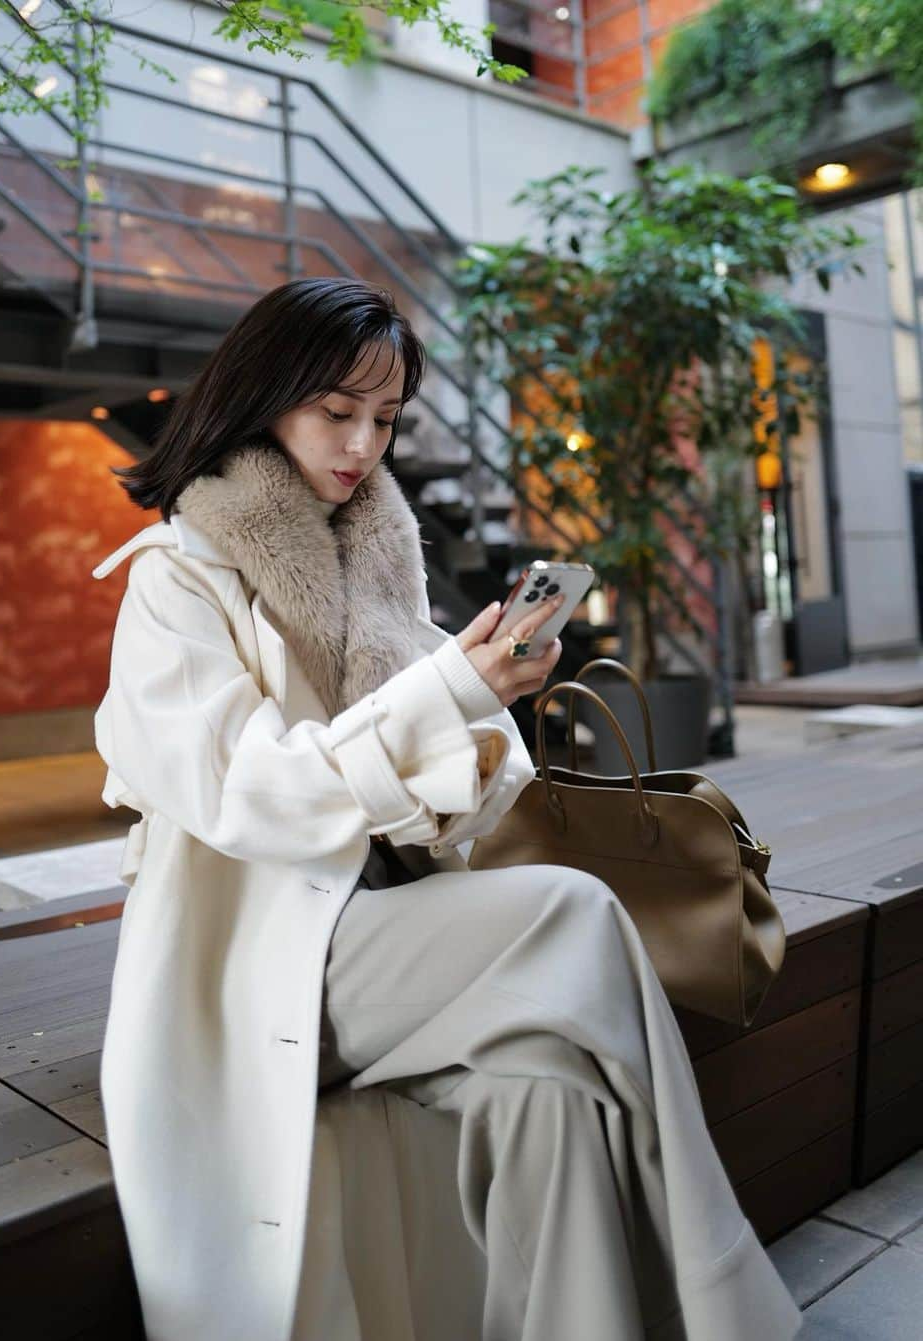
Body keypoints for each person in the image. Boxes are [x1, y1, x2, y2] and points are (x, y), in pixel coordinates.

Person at [91, 276, 802, 1341]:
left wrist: (481, 709)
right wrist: (453, 693)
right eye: (337, 411)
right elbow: (260, 797)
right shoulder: (175, 585)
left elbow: (448, 817)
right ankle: (727, 1300)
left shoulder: (377, 573)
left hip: (395, 938)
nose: (363, 445)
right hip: (262, 961)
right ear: (261, 394)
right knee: (572, 912)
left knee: (552, 1092)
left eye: (384, 420)